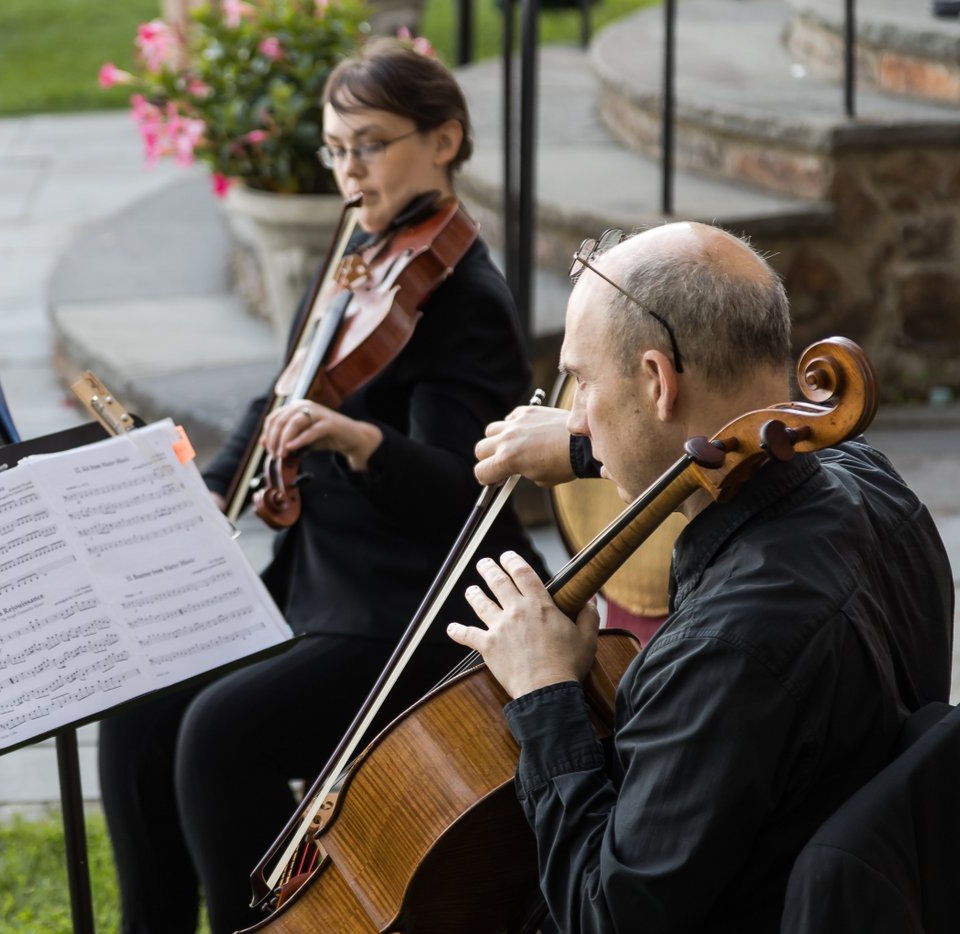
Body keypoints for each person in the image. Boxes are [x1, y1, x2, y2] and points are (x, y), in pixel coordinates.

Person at [98, 38, 545, 934]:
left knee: (222, 734)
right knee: (139, 711)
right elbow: (284, 397)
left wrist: (362, 442)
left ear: (445, 140)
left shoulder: (467, 301)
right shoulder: (353, 257)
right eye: (336, 148)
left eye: (371, 144)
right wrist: (201, 493)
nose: (349, 170)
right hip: (315, 582)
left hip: (407, 608)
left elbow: (463, 496)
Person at [448, 221, 955, 932]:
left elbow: (603, 918)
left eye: (582, 384)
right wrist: (584, 449)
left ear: (657, 381)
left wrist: (546, 693)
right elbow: (714, 444)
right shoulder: (876, 486)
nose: (577, 415)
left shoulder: (724, 651)